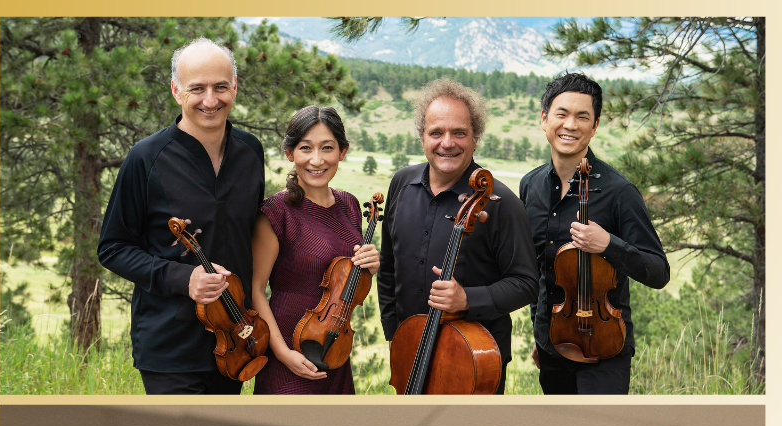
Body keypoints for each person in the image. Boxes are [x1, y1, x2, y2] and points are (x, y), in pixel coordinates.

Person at [97, 37, 265, 395]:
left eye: (221, 87)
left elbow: (251, 236)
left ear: (235, 87)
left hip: (236, 341)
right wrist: (183, 277)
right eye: (197, 88)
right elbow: (112, 248)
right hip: (169, 346)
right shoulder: (145, 158)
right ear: (176, 90)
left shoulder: (251, 152)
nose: (211, 100)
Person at [377, 78, 539, 394]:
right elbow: (388, 269)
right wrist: (393, 335)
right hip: (409, 353)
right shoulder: (401, 184)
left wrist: (467, 299)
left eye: (459, 133)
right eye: (436, 132)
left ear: (475, 138)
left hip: (474, 365)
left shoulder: (500, 203)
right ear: (422, 137)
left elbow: (526, 283)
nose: (447, 143)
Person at [520, 72, 670, 395]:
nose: (570, 125)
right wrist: (541, 333)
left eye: (582, 117)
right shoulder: (530, 186)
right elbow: (537, 271)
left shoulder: (619, 192)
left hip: (605, 349)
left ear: (595, 125)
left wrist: (608, 245)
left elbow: (659, 271)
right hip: (553, 347)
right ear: (544, 119)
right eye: (561, 114)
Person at [251, 107, 379, 394]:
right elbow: (255, 289)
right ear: (289, 153)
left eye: (327, 148)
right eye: (306, 148)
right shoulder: (276, 211)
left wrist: (370, 266)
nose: (317, 160)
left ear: (342, 152)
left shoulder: (349, 205)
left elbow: (345, 286)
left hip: (333, 346)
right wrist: (283, 353)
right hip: (288, 350)